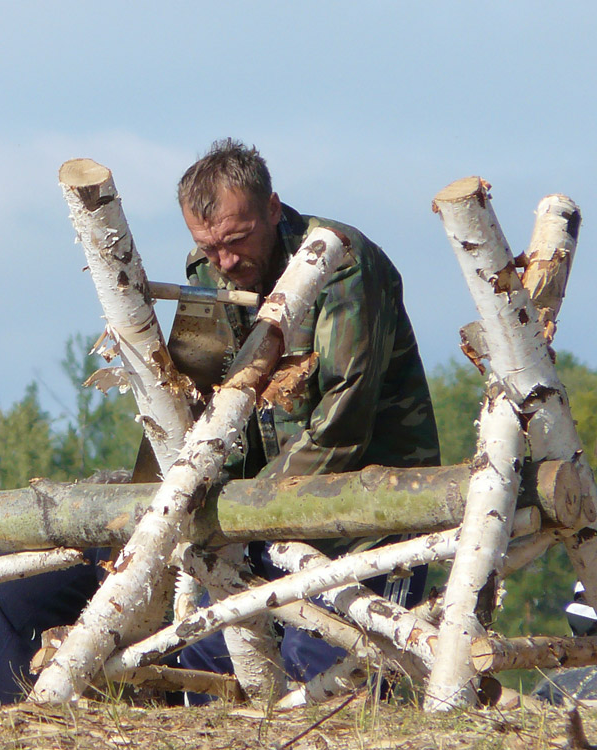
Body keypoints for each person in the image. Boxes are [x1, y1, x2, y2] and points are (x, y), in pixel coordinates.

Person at [175, 138, 440, 692]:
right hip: (262, 521)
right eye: (208, 245)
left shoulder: (341, 260)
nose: (224, 261)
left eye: (237, 240)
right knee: (201, 661)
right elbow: (198, 395)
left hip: (369, 511)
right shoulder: (206, 271)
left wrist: (257, 508)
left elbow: (344, 413)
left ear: (273, 208)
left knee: (318, 662)